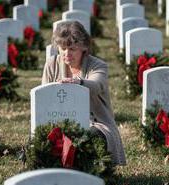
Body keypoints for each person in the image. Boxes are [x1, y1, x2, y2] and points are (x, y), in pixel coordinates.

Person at [42, 21, 126, 165]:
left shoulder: (98, 65)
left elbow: (97, 85)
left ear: (84, 48)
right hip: (59, 120)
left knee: (90, 138)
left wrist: (79, 83)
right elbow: (45, 96)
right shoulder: (51, 64)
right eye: (63, 48)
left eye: (72, 49)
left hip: (96, 122)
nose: (67, 53)